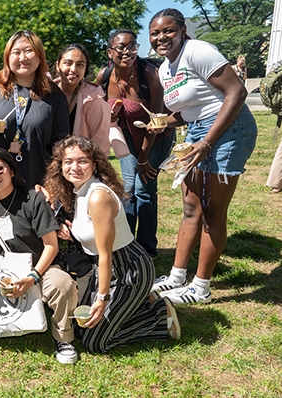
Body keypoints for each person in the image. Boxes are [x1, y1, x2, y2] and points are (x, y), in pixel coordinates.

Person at [148, 8, 258, 303]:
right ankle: (177, 277)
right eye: (155, 33)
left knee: (211, 210)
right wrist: (162, 122)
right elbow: (185, 113)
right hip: (198, 131)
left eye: (168, 30)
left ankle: (201, 287)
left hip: (230, 129)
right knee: (191, 206)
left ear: (182, 30)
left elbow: (236, 93)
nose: (162, 37)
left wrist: (207, 143)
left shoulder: (198, 51)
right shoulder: (164, 68)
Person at [43, 137, 179, 353]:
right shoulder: (79, 190)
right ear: (60, 166)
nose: (74, 167)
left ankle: (158, 315)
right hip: (106, 269)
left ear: (95, 164)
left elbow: (105, 254)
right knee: (82, 326)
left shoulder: (98, 196)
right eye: (68, 161)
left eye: (82, 161)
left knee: (96, 342)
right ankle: (134, 306)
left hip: (129, 270)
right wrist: (73, 235)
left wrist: (102, 298)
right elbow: (94, 235)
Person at [0, 147, 79, 364]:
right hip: (8, 273)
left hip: (42, 269)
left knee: (62, 285)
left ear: (12, 171)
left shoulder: (33, 199)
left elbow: (51, 246)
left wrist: (33, 277)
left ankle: (63, 337)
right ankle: (21, 317)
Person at [96, 29, 175, 259]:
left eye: (132, 46)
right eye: (121, 47)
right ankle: (127, 242)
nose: (127, 52)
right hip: (129, 137)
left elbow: (157, 121)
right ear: (110, 52)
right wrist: (110, 115)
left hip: (157, 136)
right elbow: (101, 111)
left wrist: (143, 159)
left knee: (145, 189)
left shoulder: (150, 74)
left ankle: (147, 248)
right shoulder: (104, 76)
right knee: (128, 189)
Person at [0, 30, 70, 188]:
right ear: (7, 57)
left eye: (29, 51)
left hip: (35, 177)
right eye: (16, 52)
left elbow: (60, 143)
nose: (23, 58)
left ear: (40, 56)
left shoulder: (54, 95)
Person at [55, 44, 111, 156]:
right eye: (68, 63)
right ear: (58, 65)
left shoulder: (93, 98)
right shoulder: (46, 94)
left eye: (80, 65)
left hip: (79, 165)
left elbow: (100, 142)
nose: (73, 69)